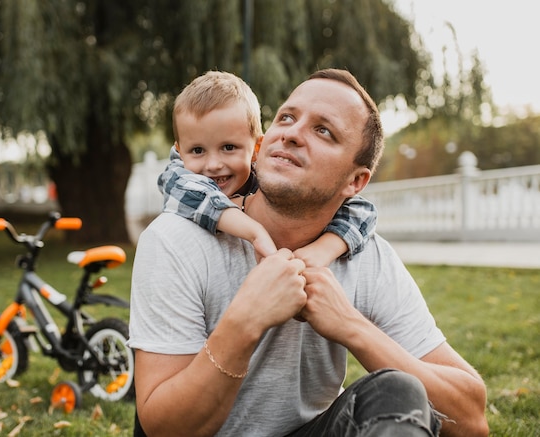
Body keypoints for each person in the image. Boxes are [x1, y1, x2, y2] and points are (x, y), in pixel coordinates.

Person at [128, 69, 489, 436]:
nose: (291, 133)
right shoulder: (176, 238)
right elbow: (163, 428)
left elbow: (472, 420)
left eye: (323, 131)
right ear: (262, 142)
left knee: (399, 389)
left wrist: (351, 326)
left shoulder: (365, 256)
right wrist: (245, 321)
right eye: (286, 117)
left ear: (356, 181)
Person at [158, 70, 377, 264]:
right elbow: (193, 193)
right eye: (197, 150)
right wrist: (254, 231)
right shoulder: (180, 178)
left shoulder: (375, 262)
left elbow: (362, 211)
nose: (213, 165)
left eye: (228, 147)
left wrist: (324, 250)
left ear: (256, 148)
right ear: (180, 149)